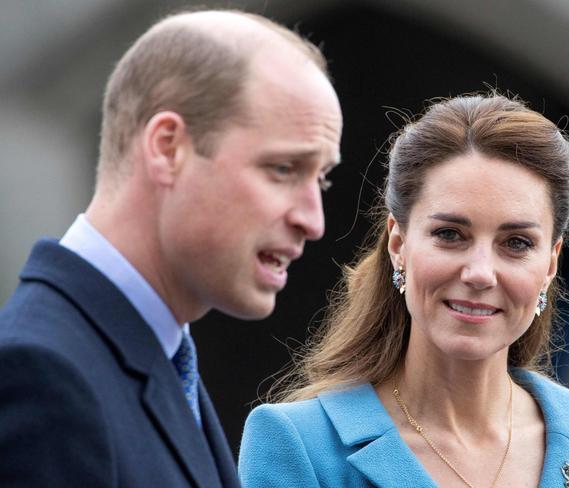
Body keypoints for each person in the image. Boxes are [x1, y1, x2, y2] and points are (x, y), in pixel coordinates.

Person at [0, 9, 342, 488]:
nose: (313, 220)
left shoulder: (157, 355)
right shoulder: (42, 374)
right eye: (284, 169)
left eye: (321, 178)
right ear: (167, 148)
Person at [239, 94, 569, 487]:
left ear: (550, 264)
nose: (480, 273)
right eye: (450, 234)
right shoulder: (301, 444)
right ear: (398, 244)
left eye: (517, 243)